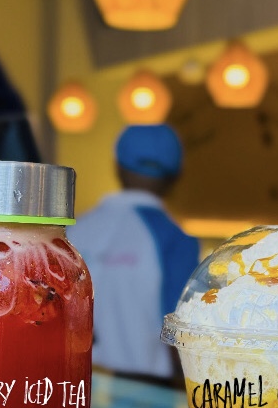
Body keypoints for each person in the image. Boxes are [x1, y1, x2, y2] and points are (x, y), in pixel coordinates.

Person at [72, 124, 199, 385]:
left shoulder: (72, 233)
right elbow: (182, 338)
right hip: (144, 392)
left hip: (71, 385)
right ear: (176, 177)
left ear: (117, 167)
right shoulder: (177, 242)